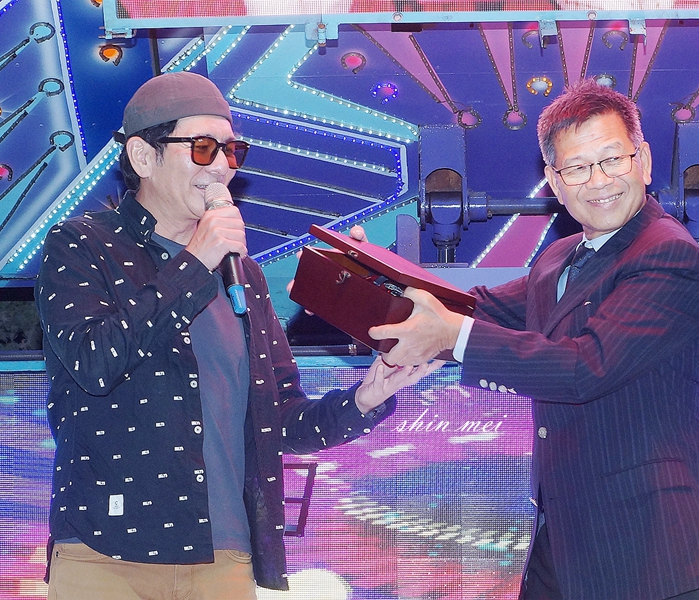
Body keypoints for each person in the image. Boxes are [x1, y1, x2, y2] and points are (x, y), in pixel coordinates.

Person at [35, 70, 440, 599]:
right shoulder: (82, 245)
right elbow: (94, 362)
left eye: (232, 150)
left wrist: (365, 398)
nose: (223, 165)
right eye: (203, 148)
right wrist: (194, 261)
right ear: (143, 157)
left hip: (224, 556)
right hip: (107, 551)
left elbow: (280, 420)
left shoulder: (241, 274)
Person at [369, 79, 699, 599]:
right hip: (566, 544)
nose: (599, 180)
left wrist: (451, 335)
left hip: (652, 551)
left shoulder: (667, 253)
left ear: (644, 161)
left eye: (612, 159)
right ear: (554, 182)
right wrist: (369, 277)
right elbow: (472, 308)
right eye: (577, 168)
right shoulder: (558, 259)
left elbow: (584, 367)